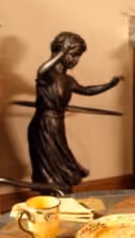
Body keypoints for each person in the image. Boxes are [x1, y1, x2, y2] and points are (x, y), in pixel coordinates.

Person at [27, 32, 122, 189]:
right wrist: (62, 52)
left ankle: (61, 189)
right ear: (60, 51)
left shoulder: (69, 81)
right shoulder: (47, 76)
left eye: (78, 57)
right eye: (73, 55)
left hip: (57, 124)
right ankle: (52, 192)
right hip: (43, 126)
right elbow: (42, 70)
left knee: (60, 159)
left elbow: (87, 91)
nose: (76, 61)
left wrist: (109, 85)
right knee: (49, 163)